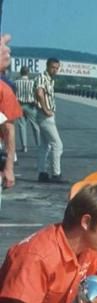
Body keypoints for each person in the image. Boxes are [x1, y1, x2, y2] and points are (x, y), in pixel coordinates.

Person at [34, 57, 64, 183]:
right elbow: (39, 93)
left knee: (44, 146)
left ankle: (42, 173)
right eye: (53, 67)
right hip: (45, 116)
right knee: (57, 144)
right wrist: (46, 109)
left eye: (57, 68)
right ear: (47, 66)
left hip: (45, 115)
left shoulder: (50, 80)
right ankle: (56, 173)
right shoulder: (42, 78)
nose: (55, 70)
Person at [0, 36, 22, 190]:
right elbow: (8, 130)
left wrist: (9, 168)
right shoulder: (5, 90)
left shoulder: (4, 90)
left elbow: (8, 130)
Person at [14, 66, 40, 152]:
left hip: (19, 105)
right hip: (30, 106)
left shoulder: (16, 82)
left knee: (22, 125)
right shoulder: (32, 82)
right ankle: (39, 145)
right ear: (28, 73)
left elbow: (13, 94)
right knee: (35, 126)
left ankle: (24, 146)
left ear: (20, 73)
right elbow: (37, 94)